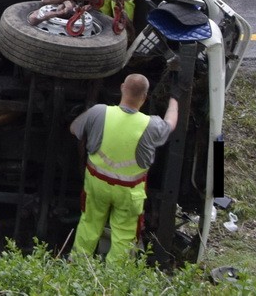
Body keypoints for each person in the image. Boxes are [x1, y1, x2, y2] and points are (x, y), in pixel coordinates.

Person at [69, 73, 181, 262]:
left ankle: (77, 265)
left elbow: (74, 129)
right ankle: (112, 280)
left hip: (97, 185)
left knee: (89, 224)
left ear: (122, 88)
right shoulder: (151, 125)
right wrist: (175, 101)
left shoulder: (98, 112)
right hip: (129, 193)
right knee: (124, 235)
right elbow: (170, 124)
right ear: (144, 97)